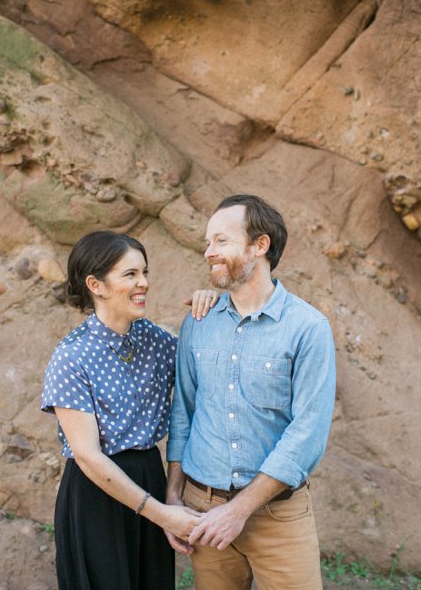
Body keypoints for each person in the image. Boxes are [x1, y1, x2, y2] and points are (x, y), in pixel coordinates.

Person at [165, 194, 337, 590]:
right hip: (202, 510)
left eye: (221, 241)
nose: (209, 252)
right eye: (208, 242)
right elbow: (183, 413)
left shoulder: (308, 328)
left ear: (260, 246)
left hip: (278, 517)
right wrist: (174, 496)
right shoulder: (198, 322)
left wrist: (239, 510)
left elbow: (307, 433)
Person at [40, 230, 219, 590]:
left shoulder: (153, 339)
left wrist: (213, 308)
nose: (144, 283)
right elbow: (88, 456)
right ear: (96, 284)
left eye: (145, 272)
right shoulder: (71, 356)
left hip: (149, 474)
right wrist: (162, 513)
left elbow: (205, 367)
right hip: (96, 494)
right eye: (130, 275)